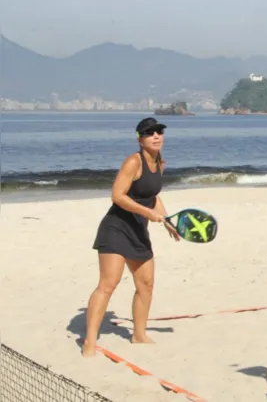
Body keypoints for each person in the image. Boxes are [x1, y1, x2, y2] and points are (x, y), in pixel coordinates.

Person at [82, 117, 180, 357]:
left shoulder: (160, 163)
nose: (156, 136)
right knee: (108, 284)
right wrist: (148, 213)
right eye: (150, 133)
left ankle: (138, 335)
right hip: (116, 228)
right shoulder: (133, 162)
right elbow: (117, 195)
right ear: (140, 139)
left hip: (138, 230)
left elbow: (152, 196)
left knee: (146, 284)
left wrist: (167, 219)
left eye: (159, 132)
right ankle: (89, 342)